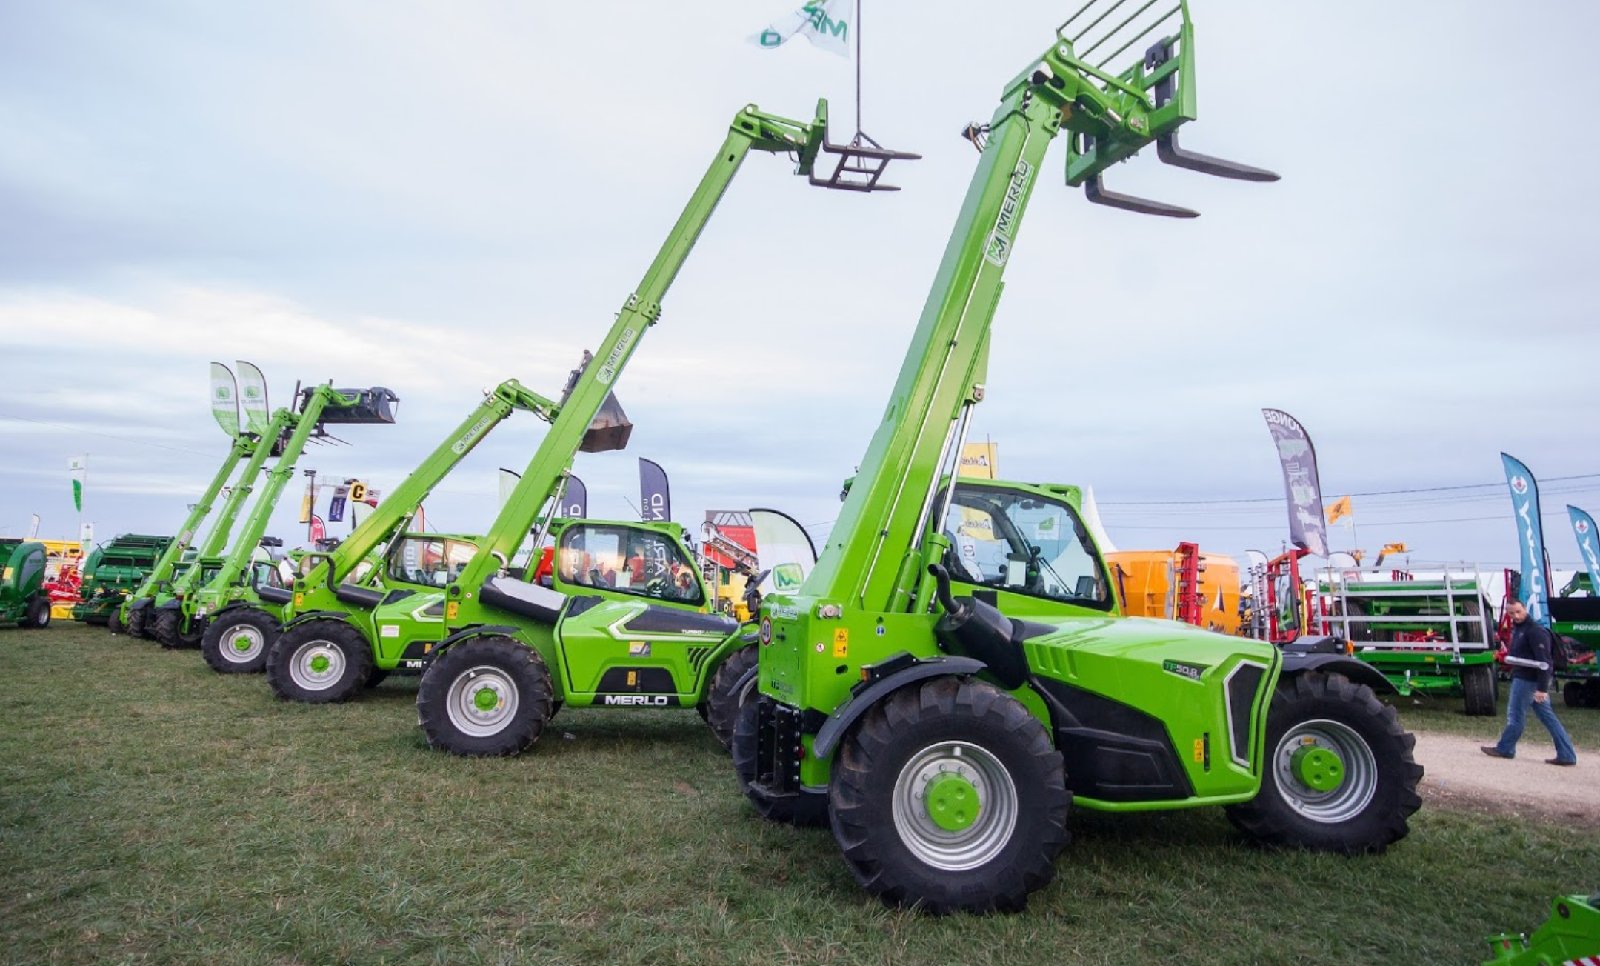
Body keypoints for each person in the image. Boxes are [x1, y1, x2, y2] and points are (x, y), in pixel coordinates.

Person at [1482, 599, 1577, 766]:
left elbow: (1545, 663)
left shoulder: (1535, 631)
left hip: (1527, 681)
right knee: (1548, 718)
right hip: (1527, 679)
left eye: (1518, 612)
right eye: (1511, 613)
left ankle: (1505, 748)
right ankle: (1567, 754)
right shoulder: (1520, 630)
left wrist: (1542, 688)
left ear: (1525, 609)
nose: (1515, 616)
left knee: (1516, 716)